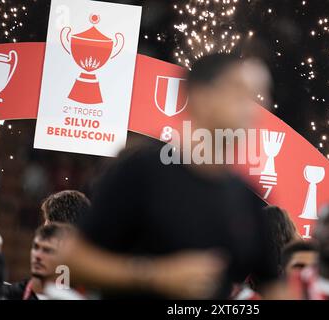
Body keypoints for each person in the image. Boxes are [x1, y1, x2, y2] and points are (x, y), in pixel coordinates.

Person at [62, 53, 281, 299]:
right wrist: (156, 275)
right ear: (201, 96)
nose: (253, 108)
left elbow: (276, 285)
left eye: (259, 96)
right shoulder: (141, 171)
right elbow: (74, 260)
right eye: (240, 93)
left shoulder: (246, 196)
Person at [3, 224, 68, 300]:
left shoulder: (72, 297)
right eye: (36, 247)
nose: (38, 255)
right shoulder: (8, 295)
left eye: (47, 250)